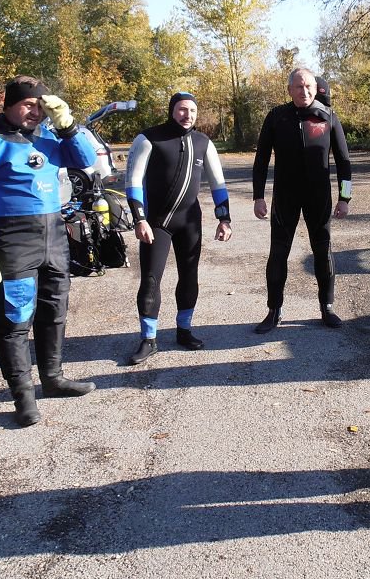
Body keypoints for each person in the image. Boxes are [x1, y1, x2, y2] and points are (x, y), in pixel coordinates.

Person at [0, 76, 98, 428]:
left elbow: (85, 160)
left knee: (54, 310)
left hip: (54, 236)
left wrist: (67, 125)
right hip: (13, 240)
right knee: (15, 319)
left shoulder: (49, 137)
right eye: (28, 105)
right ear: (8, 104)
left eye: (41, 106)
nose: (36, 112)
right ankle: (23, 397)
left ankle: (53, 378)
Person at [124, 93, 232, 364]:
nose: (188, 115)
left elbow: (218, 183)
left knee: (189, 277)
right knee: (151, 279)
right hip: (156, 223)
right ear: (172, 110)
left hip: (189, 222)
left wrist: (224, 219)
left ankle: (184, 331)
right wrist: (139, 219)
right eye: (183, 109)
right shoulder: (149, 138)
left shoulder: (203, 142)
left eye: (193, 110)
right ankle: (148, 340)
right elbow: (133, 181)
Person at [252, 68, 352, 332]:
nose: (304, 91)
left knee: (322, 250)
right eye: (299, 87)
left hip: (318, 197)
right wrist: (258, 196)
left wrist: (345, 197)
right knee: (278, 252)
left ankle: (327, 307)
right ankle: (274, 310)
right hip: (285, 196)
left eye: (308, 86)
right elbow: (261, 159)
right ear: (289, 90)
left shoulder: (327, 116)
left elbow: (344, 162)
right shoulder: (277, 117)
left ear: (315, 88)